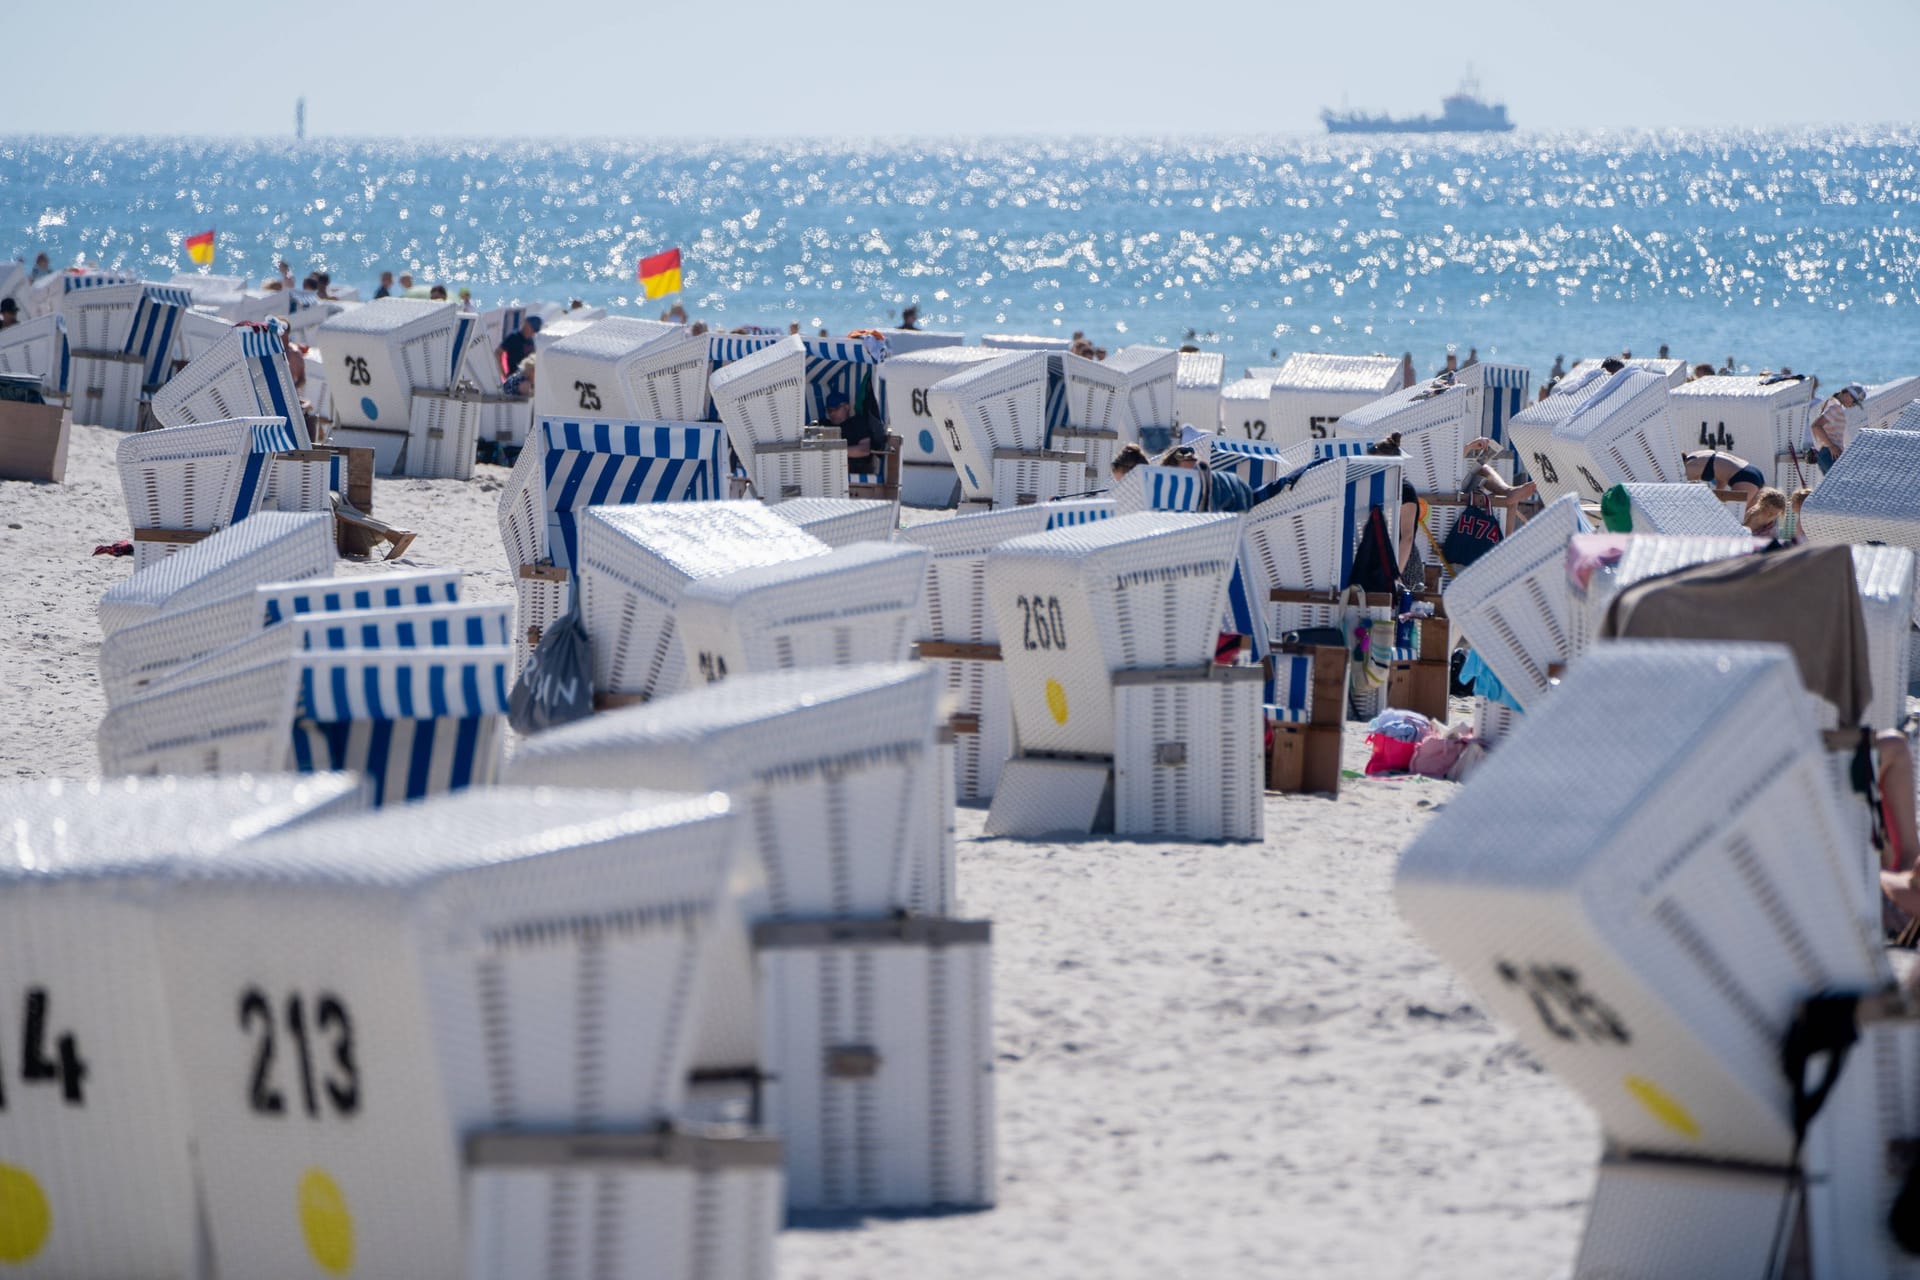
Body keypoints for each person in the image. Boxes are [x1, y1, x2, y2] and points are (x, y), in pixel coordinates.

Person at [822, 391, 886, 474]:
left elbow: (864, 450)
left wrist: (834, 451)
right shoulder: (823, 424)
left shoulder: (857, 423)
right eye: (829, 410)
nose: (832, 413)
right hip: (827, 472)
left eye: (836, 408)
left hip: (854, 473)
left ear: (847, 407)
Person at [1809, 382, 1868, 471]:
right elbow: (1816, 426)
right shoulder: (1836, 408)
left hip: (1826, 453)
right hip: (1830, 454)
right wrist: (1831, 446)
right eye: (1855, 401)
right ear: (1847, 393)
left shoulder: (1829, 403)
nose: (1853, 405)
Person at [1683, 449, 1765, 497]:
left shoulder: (1690, 467)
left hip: (1743, 477)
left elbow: (1679, 487)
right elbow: (1722, 477)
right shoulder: (1697, 455)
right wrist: (1717, 497)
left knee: (1737, 515)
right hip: (1751, 470)